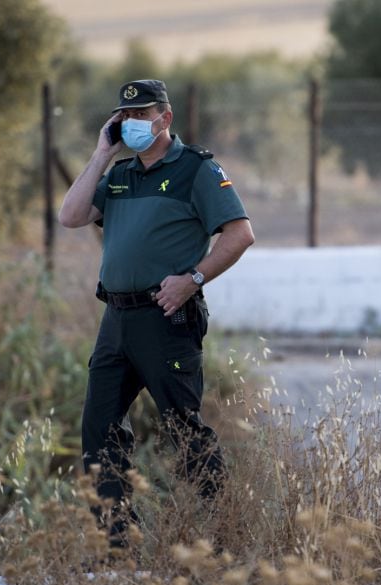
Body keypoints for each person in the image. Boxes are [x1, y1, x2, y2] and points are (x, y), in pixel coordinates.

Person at [58, 79, 255, 548]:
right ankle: (119, 547)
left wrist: (194, 279)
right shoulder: (120, 173)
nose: (132, 124)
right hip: (117, 320)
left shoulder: (195, 169)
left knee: (182, 430)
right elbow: (70, 216)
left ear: (165, 119)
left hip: (167, 317)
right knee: (98, 431)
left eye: (141, 115)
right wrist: (101, 155)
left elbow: (239, 234)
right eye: (125, 117)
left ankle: (223, 537)